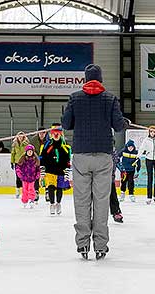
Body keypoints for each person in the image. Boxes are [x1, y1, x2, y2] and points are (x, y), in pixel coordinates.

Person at [62, 64, 128, 260]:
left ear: (85, 78)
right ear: (100, 79)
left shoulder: (74, 98)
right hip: (103, 156)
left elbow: (66, 124)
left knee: (81, 202)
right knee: (101, 202)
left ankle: (82, 245)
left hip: (81, 155)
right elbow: (118, 126)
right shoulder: (110, 98)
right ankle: (100, 246)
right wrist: (124, 122)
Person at [40, 124, 72, 215]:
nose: (56, 135)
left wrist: (67, 171)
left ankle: (58, 203)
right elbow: (42, 158)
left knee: (59, 189)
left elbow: (68, 160)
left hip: (61, 171)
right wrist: (42, 169)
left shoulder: (65, 147)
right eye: (54, 133)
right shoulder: (46, 145)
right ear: (51, 134)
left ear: (61, 133)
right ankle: (52, 204)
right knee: (50, 187)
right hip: (50, 171)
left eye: (58, 133)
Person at [138, 125, 155, 204]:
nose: (152, 133)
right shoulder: (146, 140)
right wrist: (138, 157)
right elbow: (142, 148)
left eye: (154, 132)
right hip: (149, 159)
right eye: (151, 131)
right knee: (150, 178)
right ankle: (149, 197)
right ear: (149, 132)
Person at [15, 144, 41, 208]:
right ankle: (24, 200)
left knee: (31, 189)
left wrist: (37, 175)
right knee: (25, 190)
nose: (29, 152)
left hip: (32, 178)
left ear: (33, 152)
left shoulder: (35, 160)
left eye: (31, 151)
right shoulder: (23, 159)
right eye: (28, 151)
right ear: (26, 152)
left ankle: (32, 199)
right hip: (24, 177)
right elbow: (18, 167)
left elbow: (38, 169)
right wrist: (20, 174)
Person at [30, 127, 48, 202]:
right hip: (36, 160)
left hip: (46, 161)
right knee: (36, 176)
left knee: (47, 176)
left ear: (45, 133)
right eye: (40, 133)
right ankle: (36, 192)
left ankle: (47, 192)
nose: (41, 134)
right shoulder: (33, 140)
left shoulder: (49, 140)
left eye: (43, 133)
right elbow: (30, 150)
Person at [11, 132, 29, 199]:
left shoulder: (26, 144)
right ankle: (17, 191)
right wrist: (12, 162)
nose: (20, 138)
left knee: (24, 177)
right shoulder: (15, 144)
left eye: (22, 136)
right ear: (17, 137)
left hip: (25, 162)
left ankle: (25, 191)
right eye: (19, 136)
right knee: (18, 177)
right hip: (17, 162)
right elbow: (13, 153)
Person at [110, 147, 125, 223]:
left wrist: (122, 170)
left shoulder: (113, 150)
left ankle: (116, 212)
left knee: (113, 196)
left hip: (110, 178)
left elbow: (117, 161)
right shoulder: (99, 149)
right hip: (98, 178)